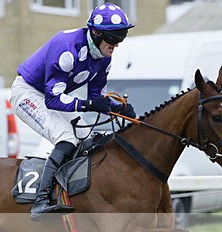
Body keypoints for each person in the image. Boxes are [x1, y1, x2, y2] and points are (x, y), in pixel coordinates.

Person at [10, 3, 136, 219]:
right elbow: (52, 100)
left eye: (121, 36)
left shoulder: (104, 57)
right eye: (113, 37)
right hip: (28, 93)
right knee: (67, 137)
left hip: (52, 97)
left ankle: (71, 193)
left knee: (85, 136)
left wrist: (118, 108)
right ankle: (41, 201)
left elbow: (97, 98)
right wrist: (89, 105)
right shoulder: (67, 49)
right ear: (96, 33)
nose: (116, 44)